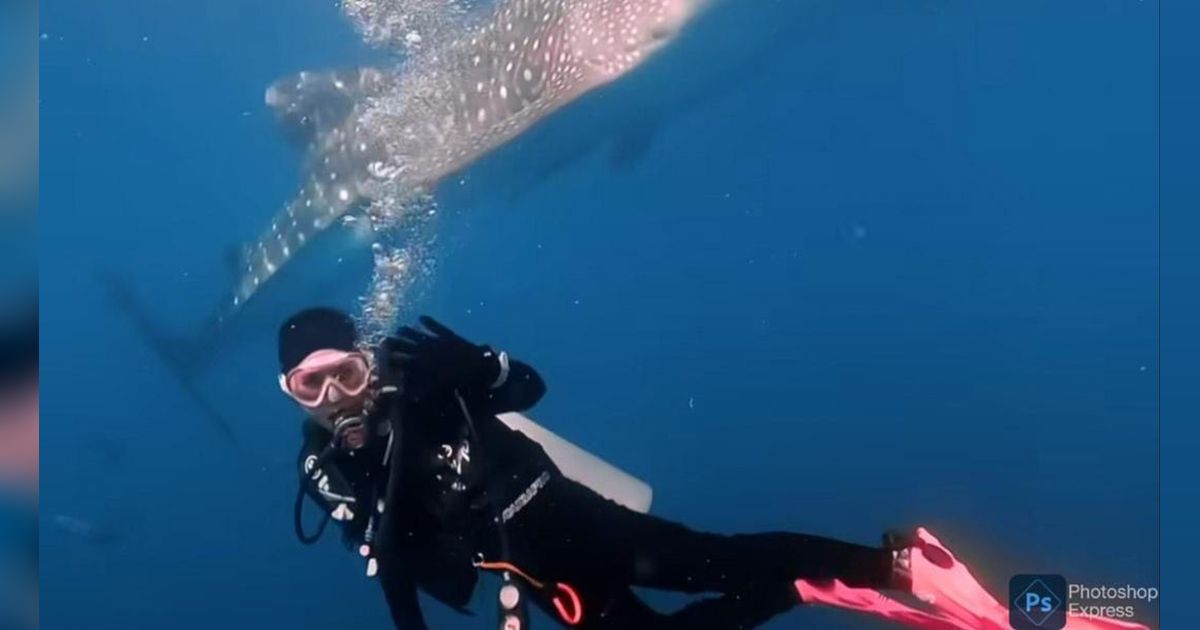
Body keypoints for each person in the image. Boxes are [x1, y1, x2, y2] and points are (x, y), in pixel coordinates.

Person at [280, 307, 914, 629]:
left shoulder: (421, 377)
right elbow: (394, 566)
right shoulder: (327, 470)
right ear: (292, 391)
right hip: (531, 574)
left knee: (716, 559)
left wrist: (482, 366)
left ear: (367, 362)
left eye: (347, 373)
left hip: (571, 514)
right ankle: (799, 588)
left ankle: (898, 566)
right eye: (314, 385)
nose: (337, 396)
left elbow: (529, 389)